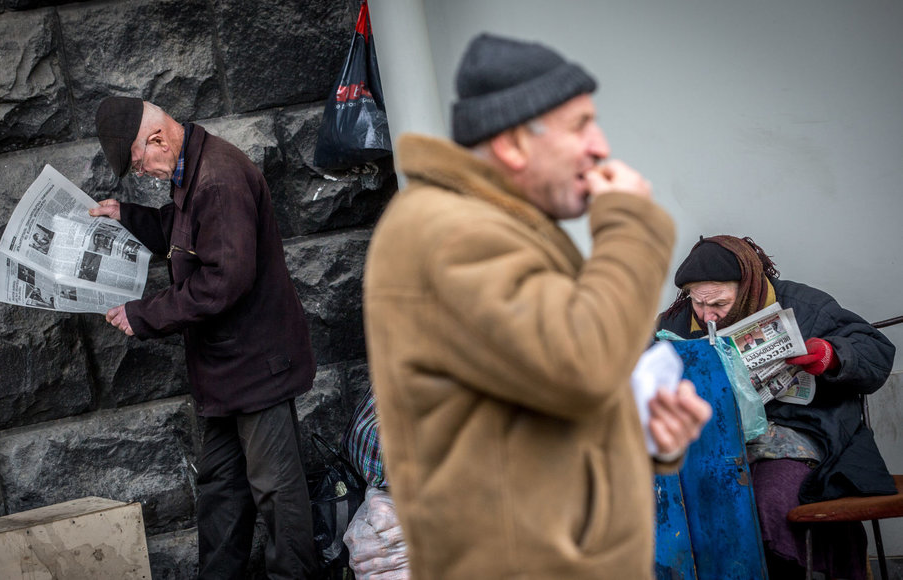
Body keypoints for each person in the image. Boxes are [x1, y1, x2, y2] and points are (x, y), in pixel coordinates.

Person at [363, 34, 712, 579]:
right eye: (580, 126)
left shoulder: (498, 227)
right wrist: (629, 225)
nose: (600, 146)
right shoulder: (447, 232)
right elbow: (580, 364)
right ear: (514, 144)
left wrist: (643, 435)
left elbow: (533, 411)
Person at [91, 97, 318, 579]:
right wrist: (126, 215)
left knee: (278, 494)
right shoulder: (189, 168)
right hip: (226, 374)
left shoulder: (217, 177)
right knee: (220, 493)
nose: (144, 174)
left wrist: (144, 315)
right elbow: (184, 233)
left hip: (257, 369)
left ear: (156, 139)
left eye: (139, 164)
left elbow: (224, 280)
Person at [656, 234, 896, 580]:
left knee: (766, 502)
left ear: (747, 286)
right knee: (683, 501)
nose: (708, 315)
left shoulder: (803, 305)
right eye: (699, 303)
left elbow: (876, 352)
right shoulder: (677, 321)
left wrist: (831, 355)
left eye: (719, 304)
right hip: (717, 442)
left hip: (802, 432)